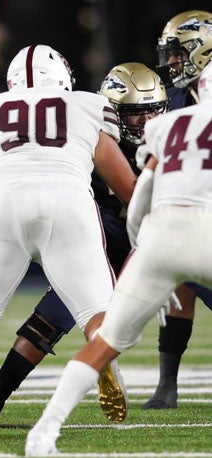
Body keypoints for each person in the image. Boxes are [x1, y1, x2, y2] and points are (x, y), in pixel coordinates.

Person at [0, 44, 136, 437]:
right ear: (62, 79)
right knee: (98, 309)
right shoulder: (85, 105)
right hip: (67, 201)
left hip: (3, 203)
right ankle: (104, 362)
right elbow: (124, 184)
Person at [25, 60, 212, 457]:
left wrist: (141, 252)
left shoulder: (166, 127)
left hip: (158, 241)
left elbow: (142, 194)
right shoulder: (162, 119)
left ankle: (44, 430)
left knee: (105, 342)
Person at [0, 62, 169, 425]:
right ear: (112, 113)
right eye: (132, 114)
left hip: (160, 239)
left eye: (151, 112)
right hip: (110, 238)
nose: (144, 123)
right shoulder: (90, 134)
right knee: (53, 314)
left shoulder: (177, 140)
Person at [143, 9, 212, 410]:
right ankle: (167, 384)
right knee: (177, 276)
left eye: (177, 53)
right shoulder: (174, 101)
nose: (170, 63)